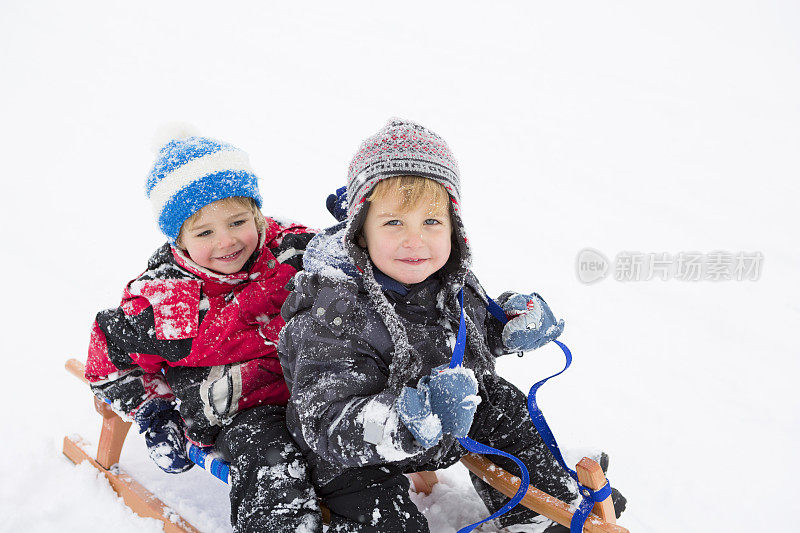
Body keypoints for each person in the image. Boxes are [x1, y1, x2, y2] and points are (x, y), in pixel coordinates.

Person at [278, 119, 625, 532]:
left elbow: (464, 333)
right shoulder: (334, 311)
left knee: (500, 403)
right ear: (360, 232)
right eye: (393, 223)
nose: (415, 241)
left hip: (443, 426)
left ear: (453, 228)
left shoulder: (450, 280)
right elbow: (324, 418)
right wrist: (403, 422)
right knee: (382, 517)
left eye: (431, 222)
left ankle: (535, 511)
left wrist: (506, 326)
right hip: (354, 451)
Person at [85, 131, 322, 532]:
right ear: (178, 238)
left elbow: (355, 264)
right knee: (271, 468)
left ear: (258, 215)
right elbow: (108, 361)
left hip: (317, 387)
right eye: (204, 232)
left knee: (356, 458)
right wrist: (156, 416)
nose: (227, 241)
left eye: (238, 222)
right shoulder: (164, 302)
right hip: (237, 411)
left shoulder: (294, 253)